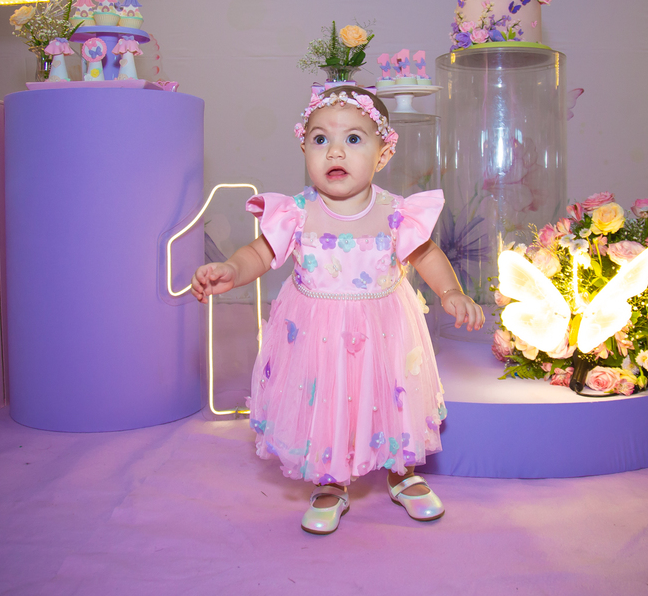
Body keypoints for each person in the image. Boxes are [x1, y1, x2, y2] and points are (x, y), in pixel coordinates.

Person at [191, 85, 484, 535]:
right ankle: (330, 480)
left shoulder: (394, 212)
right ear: (304, 148)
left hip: (384, 331)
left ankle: (402, 472)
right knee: (324, 401)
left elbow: (426, 254)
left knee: (391, 396)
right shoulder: (297, 212)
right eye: (320, 139)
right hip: (317, 335)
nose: (335, 151)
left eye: (353, 139)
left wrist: (450, 291)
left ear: (383, 155)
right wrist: (233, 268)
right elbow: (260, 252)